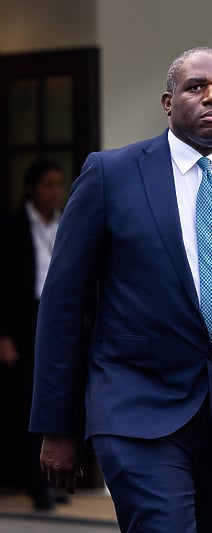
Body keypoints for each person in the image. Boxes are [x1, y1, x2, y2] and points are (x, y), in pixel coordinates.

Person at [29, 47, 212, 532]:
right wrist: (57, 423)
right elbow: (63, 304)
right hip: (135, 407)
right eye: (196, 87)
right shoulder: (110, 175)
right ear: (168, 101)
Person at [0, 159, 68, 510]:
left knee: (61, 397)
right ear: (32, 188)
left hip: (60, 319)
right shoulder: (12, 227)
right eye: (48, 185)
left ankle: (55, 479)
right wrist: (4, 335)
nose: (55, 192)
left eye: (59, 185)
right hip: (24, 321)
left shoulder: (65, 223)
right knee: (30, 404)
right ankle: (33, 485)